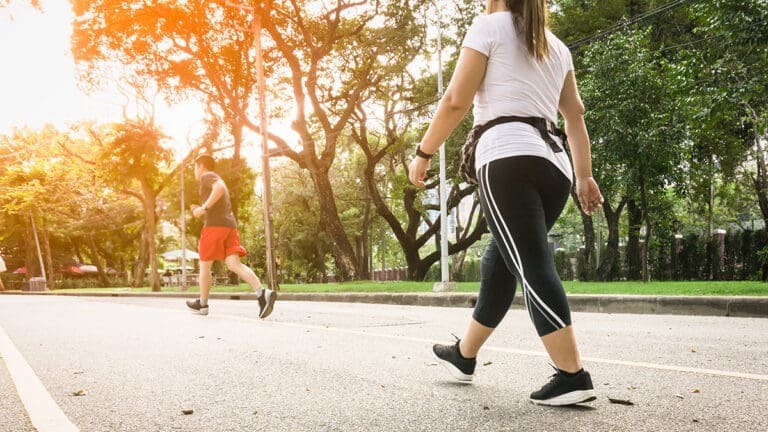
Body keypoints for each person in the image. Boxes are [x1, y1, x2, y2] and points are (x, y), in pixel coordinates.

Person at [408, 0, 603, 406]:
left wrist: (424, 152)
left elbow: (455, 102)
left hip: (507, 158)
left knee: (531, 263)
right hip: (556, 169)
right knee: (500, 261)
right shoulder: (556, 46)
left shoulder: (489, 26)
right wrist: (584, 175)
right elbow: (575, 116)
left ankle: (572, 375)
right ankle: (464, 356)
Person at [186, 154, 277, 318]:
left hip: (214, 227)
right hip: (229, 226)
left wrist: (204, 208)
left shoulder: (207, 176)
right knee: (234, 264)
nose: (195, 172)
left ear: (201, 166)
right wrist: (198, 209)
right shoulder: (211, 178)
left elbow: (219, 187)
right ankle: (262, 293)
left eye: (195, 168)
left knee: (205, 265)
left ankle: (203, 304)